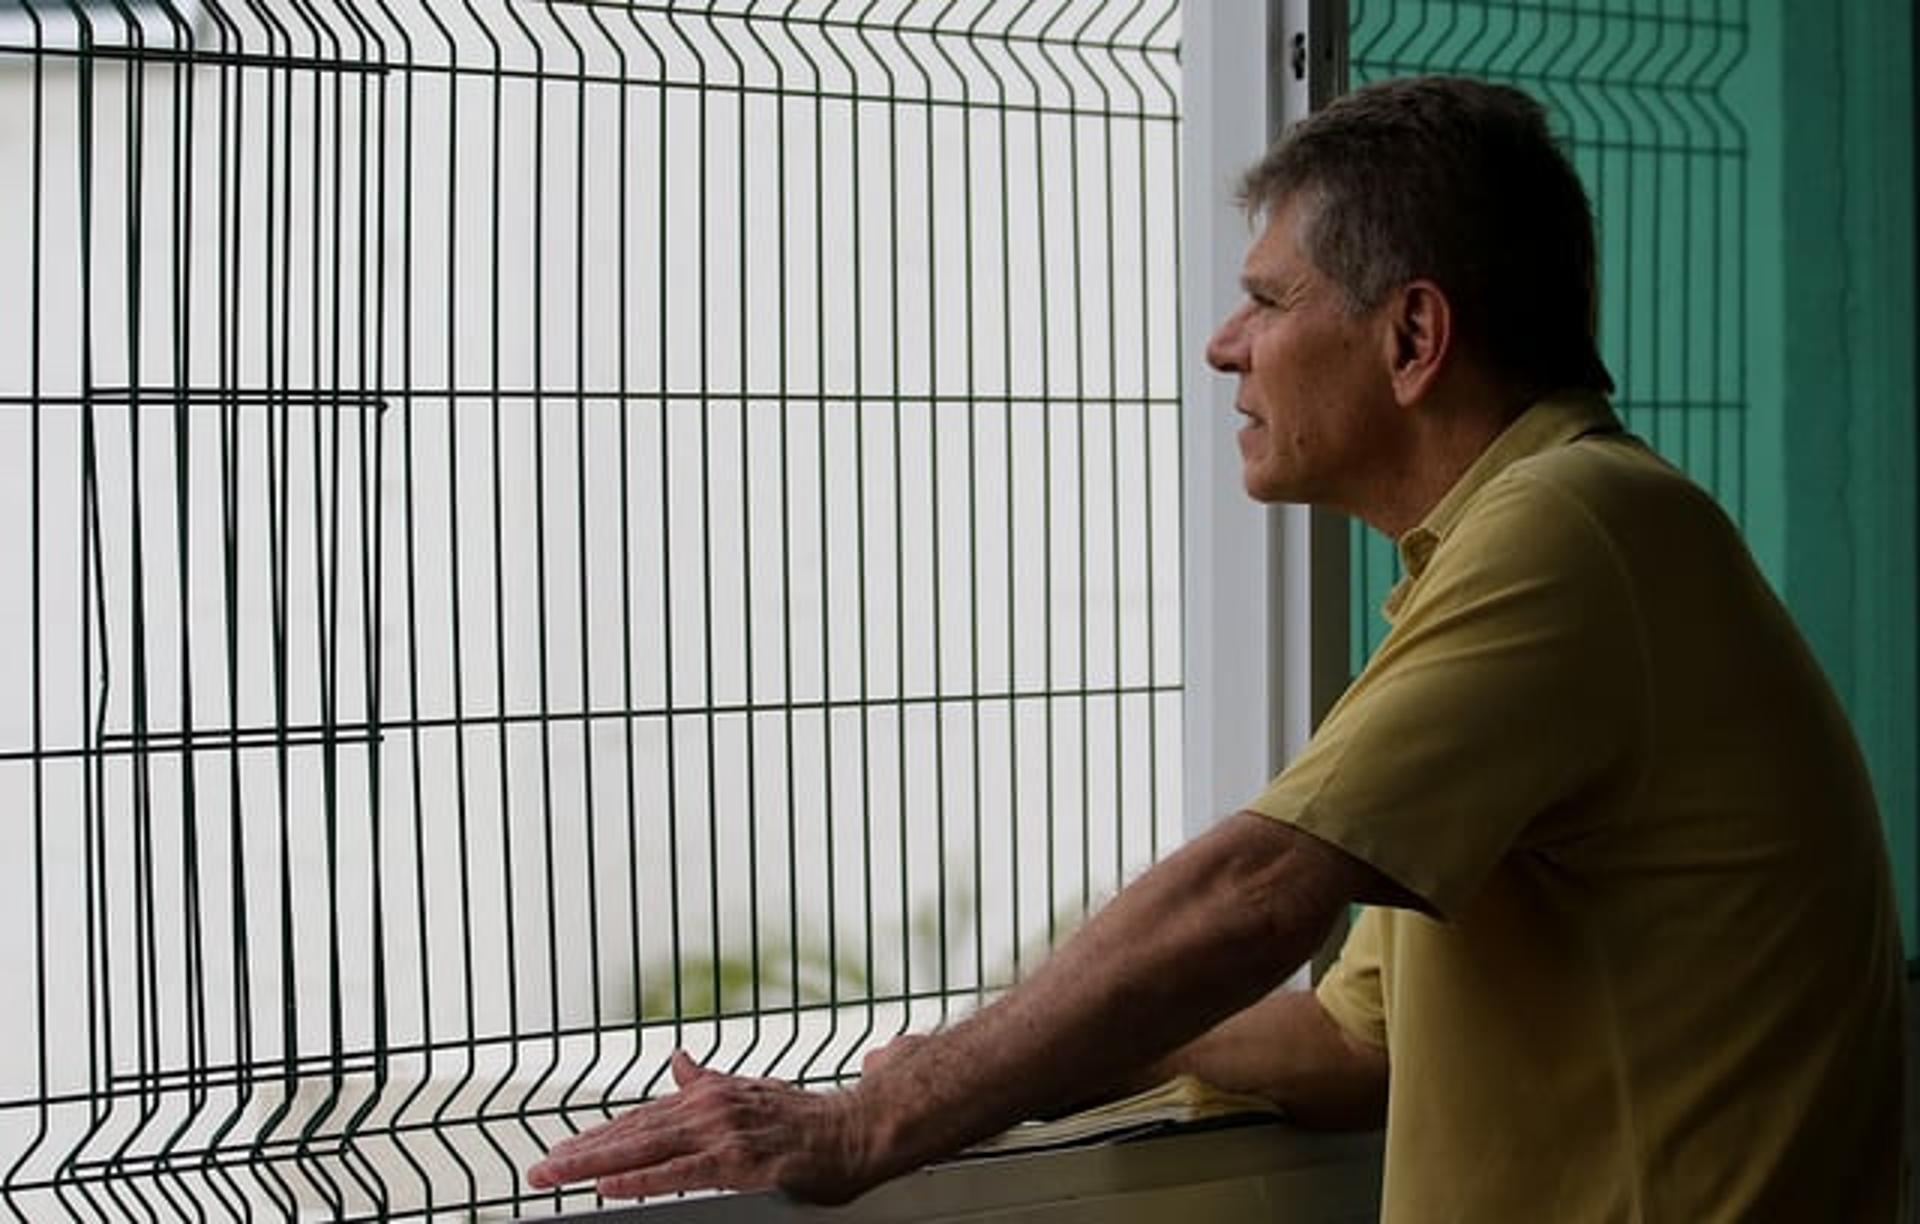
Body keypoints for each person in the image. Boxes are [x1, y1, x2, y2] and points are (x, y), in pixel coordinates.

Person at [527, 75, 1907, 1219]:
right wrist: (1028, 1052)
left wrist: (876, 1117)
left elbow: (1256, 890)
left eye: (1271, 298)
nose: (1221, 345)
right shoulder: (1558, 539)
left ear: (1414, 335)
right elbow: (1360, 1039)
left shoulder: (1572, 533)